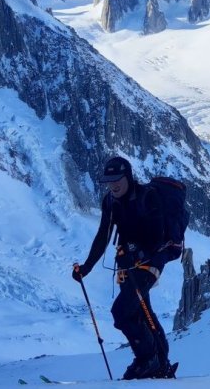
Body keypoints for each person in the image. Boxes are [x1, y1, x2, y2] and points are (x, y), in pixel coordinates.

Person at [72, 156, 171, 380]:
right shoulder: (110, 201)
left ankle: (147, 360)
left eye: (117, 179)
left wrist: (136, 253)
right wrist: (87, 267)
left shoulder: (148, 197)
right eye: (109, 180)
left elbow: (157, 238)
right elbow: (103, 236)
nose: (113, 184)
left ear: (128, 176)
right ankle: (161, 363)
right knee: (142, 312)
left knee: (122, 312)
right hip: (127, 265)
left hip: (150, 263)